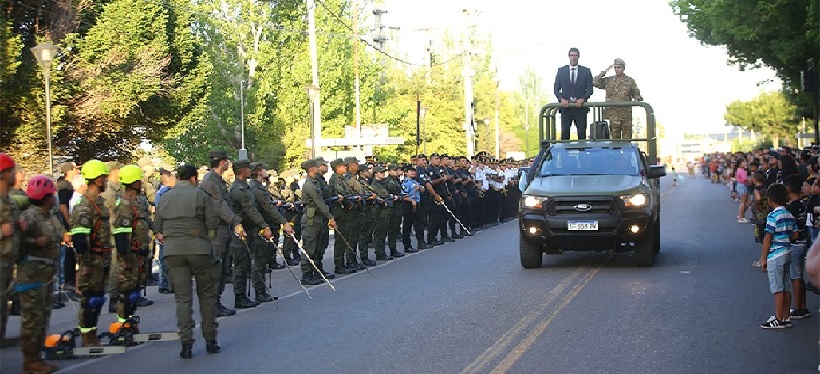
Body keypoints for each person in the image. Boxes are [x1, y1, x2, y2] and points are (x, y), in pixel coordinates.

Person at [155, 165, 221, 359]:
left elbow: (157, 226)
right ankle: (210, 340)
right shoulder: (200, 195)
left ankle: (186, 344)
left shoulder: (165, 196)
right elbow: (212, 223)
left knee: (182, 299)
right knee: (207, 296)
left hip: (173, 251)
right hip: (199, 249)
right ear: (193, 178)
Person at [17, 175, 66, 373]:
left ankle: (37, 357)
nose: (54, 198)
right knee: (32, 319)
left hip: (46, 273)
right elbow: (18, 240)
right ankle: (30, 360)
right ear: (46, 197)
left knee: (43, 316)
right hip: (32, 273)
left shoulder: (48, 215)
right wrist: (34, 242)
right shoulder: (30, 216)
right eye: (51, 195)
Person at [70, 160, 112, 346]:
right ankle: (87, 336)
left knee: (99, 297)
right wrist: (84, 265)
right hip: (91, 259)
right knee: (90, 299)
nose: (107, 181)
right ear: (98, 179)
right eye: (104, 177)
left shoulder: (100, 202)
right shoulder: (84, 205)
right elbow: (80, 238)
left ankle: (92, 332)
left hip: (102, 257)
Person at [200, 150, 244, 317]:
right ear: (222, 162)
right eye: (227, 161)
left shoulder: (218, 180)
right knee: (216, 268)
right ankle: (212, 304)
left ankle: (216, 302)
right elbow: (219, 205)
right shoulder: (211, 180)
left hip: (222, 229)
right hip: (215, 230)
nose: (228, 164)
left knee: (223, 268)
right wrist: (235, 222)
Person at [110, 165, 153, 325]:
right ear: (134, 183)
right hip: (130, 257)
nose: (141, 183)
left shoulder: (135, 203)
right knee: (127, 293)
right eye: (139, 181)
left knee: (134, 292)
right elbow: (121, 235)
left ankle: (129, 323)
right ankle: (123, 325)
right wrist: (127, 259)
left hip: (139, 255)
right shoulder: (124, 205)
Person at [228, 159, 273, 308]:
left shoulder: (244, 187)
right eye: (247, 168)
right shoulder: (238, 189)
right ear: (242, 171)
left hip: (249, 230)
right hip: (241, 231)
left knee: (248, 263)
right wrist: (264, 226)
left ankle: (256, 293)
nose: (250, 171)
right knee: (241, 265)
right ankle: (239, 297)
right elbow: (250, 211)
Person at [247, 162, 293, 299]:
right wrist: (284, 222)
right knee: (259, 261)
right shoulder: (256, 189)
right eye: (264, 169)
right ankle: (260, 292)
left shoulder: (259, 187)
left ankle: (261, 291)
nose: (266, 171)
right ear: (259, 172)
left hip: (263, 226)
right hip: (259, 228)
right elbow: (268, 208)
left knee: (262, 260)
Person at [759, 184, 797, 329]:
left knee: (778, 288)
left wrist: (763, 258)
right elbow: (795, 235)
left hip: (776, 254)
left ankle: (778, 318)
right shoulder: (789, 214)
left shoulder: (772, 216)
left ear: (770, 200)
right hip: (788, 251)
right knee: (786, 286)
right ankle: (786, 316)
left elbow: (767, 238)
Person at [298, 159, 337, 285]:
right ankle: (306, 275)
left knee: (319, 247)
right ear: (311, 169)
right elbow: (319, 201)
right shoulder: (309, 184)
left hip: (318, 218)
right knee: (310, 248)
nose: (317, 167)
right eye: (316, 166)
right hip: (311, 219)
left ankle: (317, 271)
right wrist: (330, 217)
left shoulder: (316, 182)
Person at [592, 58, 643, 139]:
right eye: (615, 67)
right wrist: (605, 71)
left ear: (623, 68)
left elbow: (636, 93)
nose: (617, 69)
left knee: (627, 140)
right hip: (613, 115)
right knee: (615, 141)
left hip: (625, 114)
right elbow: (595, 82)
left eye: (619, 67)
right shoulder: (609, 80)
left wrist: (637, 98)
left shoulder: (630, 81)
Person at [783, 175, 811, 320]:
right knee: (798, 276)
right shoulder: (802, 203)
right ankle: (802, 306)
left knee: (795, 276)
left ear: (788, 188)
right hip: (803, 242)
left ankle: (799, 307)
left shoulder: (792, 207)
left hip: (795, 244)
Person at [0, 153, 19, 347]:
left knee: (3, 311)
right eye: (12, 170)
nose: (16, 174)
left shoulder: (11, 201)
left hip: (9, 264)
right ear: (4, 173)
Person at [553, 47, 593, 140]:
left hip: (580, 108)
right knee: (565, 135)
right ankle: (565, 154)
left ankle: (582, 153)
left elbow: (590, 89)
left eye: (575, 55)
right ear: (568, 56)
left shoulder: (586, 71)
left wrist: (583, 99)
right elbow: (556, 89)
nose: (573, 57)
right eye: (571, 55)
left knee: (582, 134)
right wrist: (561, 99)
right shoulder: (561, 71)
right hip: (566, 108)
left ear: (578, 57)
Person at [328, 158, 356, 274]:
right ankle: (339, 265)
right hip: (340, 212)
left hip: (345, 212)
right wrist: (349, 204)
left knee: (345, 238)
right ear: (338, 167)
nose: (345, 167)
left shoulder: (341, 179)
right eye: (343, 166)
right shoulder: (336, 179)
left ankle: (343, 263)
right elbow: (342, 194)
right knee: (341, 240)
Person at [155, 167, 175, 294]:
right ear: (167, 178)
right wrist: (159, 231)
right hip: (165, 229)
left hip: (167, 229)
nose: (175, 179)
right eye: (172, 177)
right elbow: (159, 214)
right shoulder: (163, 193)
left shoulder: (164, 192)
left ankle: (165, 283)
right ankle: (165, 284)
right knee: (165, 258)